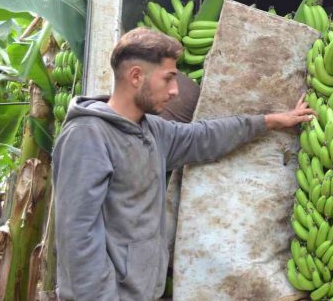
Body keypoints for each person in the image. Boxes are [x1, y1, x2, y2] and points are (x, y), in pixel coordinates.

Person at [52, 28, 314, 301]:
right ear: (136, 76)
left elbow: (204, 137)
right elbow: (77, 238)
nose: (175, 90)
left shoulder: (151, 130)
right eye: (168, 79)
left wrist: (271, 121)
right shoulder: (87, 137)